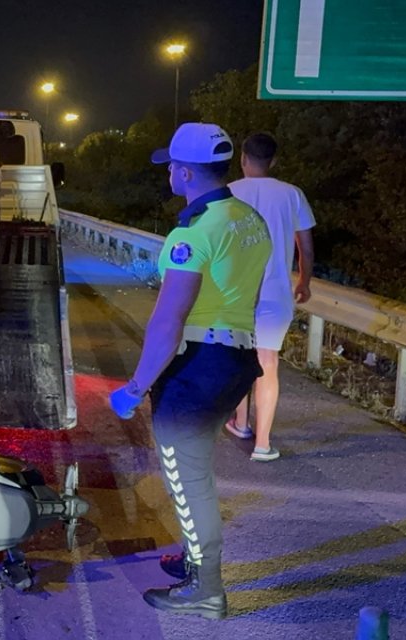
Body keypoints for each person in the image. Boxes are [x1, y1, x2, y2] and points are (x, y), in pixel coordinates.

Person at [108, 123, 272, 619]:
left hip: (201, 364)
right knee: (195, 470)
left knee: (187, 478)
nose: (169, 174)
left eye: (170, 167)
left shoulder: (193, 232)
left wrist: (135, 387)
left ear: (183, 171)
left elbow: (168, 320)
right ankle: (194, 557)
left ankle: (206, 589)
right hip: (239, 359)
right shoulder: (249, 218)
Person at [224, 133, 317, 462]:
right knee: (268, 363)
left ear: (243, 159)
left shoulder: (229, 193)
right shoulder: (292, 195)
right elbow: (304, 246)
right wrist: (304, 281)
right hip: (276, 294)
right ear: (274, 161)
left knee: (238, 357)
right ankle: (263, 444)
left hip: (236, 294)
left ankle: (240, 422)